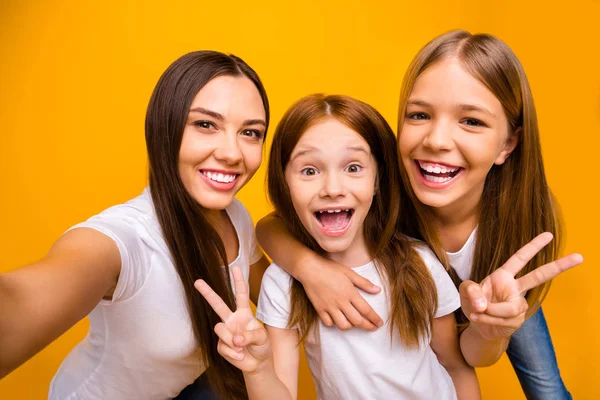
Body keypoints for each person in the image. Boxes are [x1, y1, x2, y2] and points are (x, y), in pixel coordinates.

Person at [255, 31, 583, 399]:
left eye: (471, 121)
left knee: (547, 388)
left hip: (500, 295)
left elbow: (467, 357)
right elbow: (270, 225)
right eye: (420, 115)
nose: (437, 140)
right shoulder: (383, 194)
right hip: (430, 309)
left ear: (507, 143)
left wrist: (494, 328)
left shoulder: (522, 225)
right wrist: (312, 269)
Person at [0, 51, 271, 400]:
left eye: (250, 132)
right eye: (205, 124)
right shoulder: (125, 239)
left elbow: (274, 291)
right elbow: (24, 300)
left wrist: (311, 268)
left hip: (189, 387)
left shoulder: (236, 215)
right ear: (164, 127)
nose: (233, 153)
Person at [197, 94, 481, 399]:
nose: (332, 189)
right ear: (285, 182)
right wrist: (257, 369)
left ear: (377, 178)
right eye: (309, 171)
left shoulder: (420, 262)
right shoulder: (283, 284)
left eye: (354, 167)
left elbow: (455, 366)